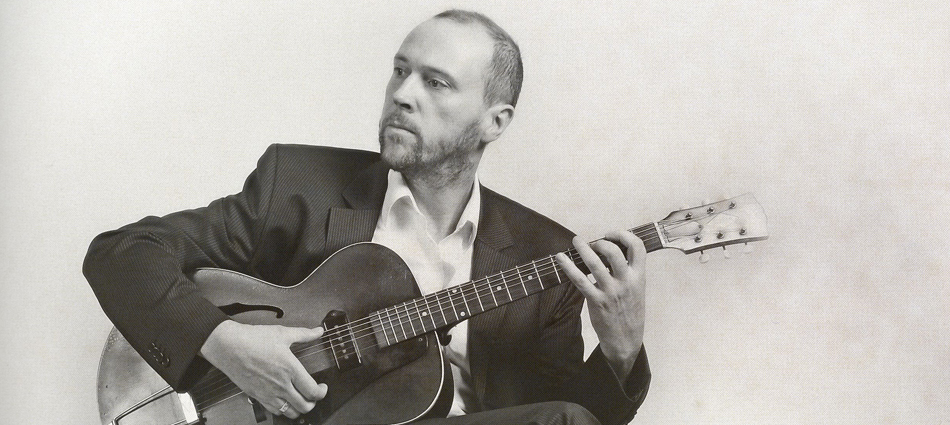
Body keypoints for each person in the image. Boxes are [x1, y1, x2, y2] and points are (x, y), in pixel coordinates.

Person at [84, 9, 650, 425]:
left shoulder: (543, 253)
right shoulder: (298, 185)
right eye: (400, 71)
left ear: (494, 121)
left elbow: (570, 417)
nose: (402, 94)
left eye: (435, 83)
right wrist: (226, 343)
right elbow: (122, 253)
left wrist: (621, 351)